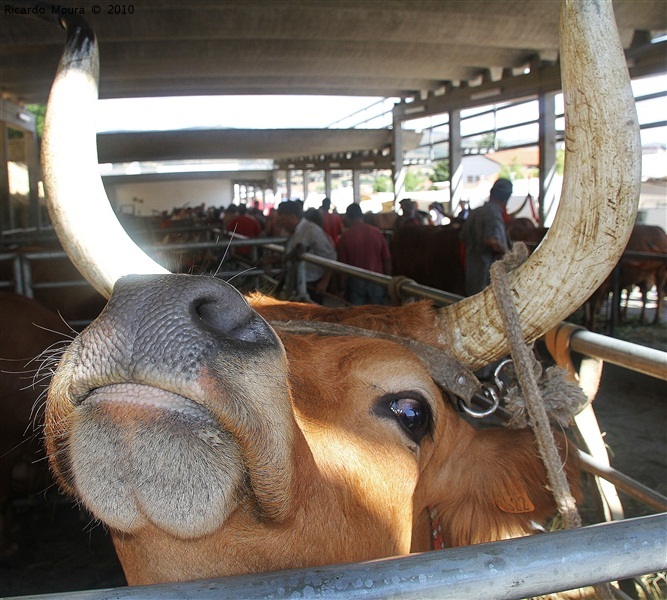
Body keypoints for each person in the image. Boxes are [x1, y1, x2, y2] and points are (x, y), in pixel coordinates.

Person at [459, 178, 513, 296]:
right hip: (487, 277)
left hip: (470, 273)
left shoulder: (475, 212)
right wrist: (509, 256)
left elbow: (462, 238)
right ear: (507, 198)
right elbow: (492, 241)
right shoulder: (493, 214)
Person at [276, 200, 337, 303]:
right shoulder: (287, 231)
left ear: (292, 217)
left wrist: (324, 282)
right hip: (293, 279)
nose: (280, 223)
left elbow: (331, 256)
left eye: (283, 220)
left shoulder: (312, 231)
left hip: (312, 281)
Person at [336, 203, 392, 305]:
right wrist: (387, 281)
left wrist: (342, 288)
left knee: (357, 316)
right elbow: (387, 259)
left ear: (348, 217)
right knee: (376, 314)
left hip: (355, 282)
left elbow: (342, 267)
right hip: (377, 280)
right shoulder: (377, 232)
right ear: (361, 215)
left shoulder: (345, 237)